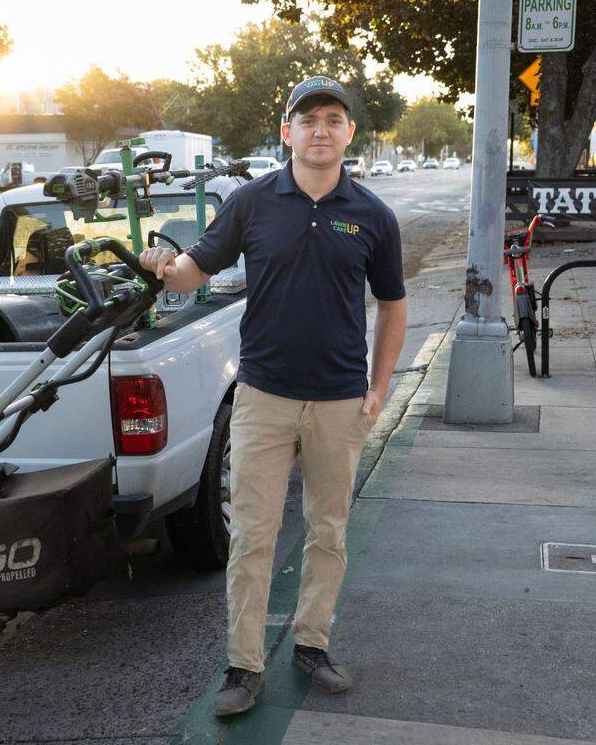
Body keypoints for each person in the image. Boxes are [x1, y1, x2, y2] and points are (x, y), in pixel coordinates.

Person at [138, 76, 408, 717]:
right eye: (308, 119)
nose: (321, 129)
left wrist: (377, 390)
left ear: (348, 134)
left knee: (327, 532)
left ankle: (312, 645)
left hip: (341, 401)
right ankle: (243, 665)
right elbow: (192, 272)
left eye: (333, 119)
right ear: (286, 132)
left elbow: (394, 307)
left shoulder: (373, 215)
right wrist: (160, 264)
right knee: (253, 536)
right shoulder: (253, 202)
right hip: (262, 397)